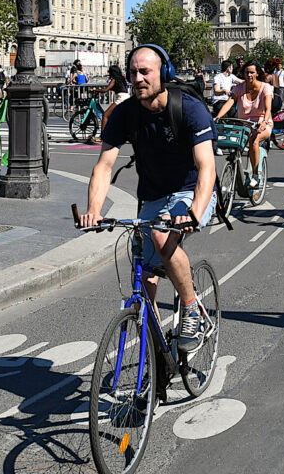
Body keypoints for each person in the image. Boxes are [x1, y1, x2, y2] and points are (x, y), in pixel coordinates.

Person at [81, 45, 217, 352]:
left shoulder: (188, 109)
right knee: (144, 279)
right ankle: (157, 359)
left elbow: (207, 166)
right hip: (153, 196)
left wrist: (194, 212)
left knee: (161, 237)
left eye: (146, 72)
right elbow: (104, 166)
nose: (138, 78)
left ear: (164, 73)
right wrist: (93, 210)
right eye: (133, 72)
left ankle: (191, 306)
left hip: (192, 191)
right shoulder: (125, 114)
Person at [213, 60, 275, 187]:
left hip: (262, 123)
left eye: (252, 72)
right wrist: (217, 117)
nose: (249, 75)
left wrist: (264, 121)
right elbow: (230, 102)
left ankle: (256, 175)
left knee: (254, 140)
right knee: (232, 142)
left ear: (257, 73)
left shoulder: (265, 88)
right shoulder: (239, 88)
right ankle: (234, 171)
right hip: (244, 124)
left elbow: (268, 108)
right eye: (247, 72)